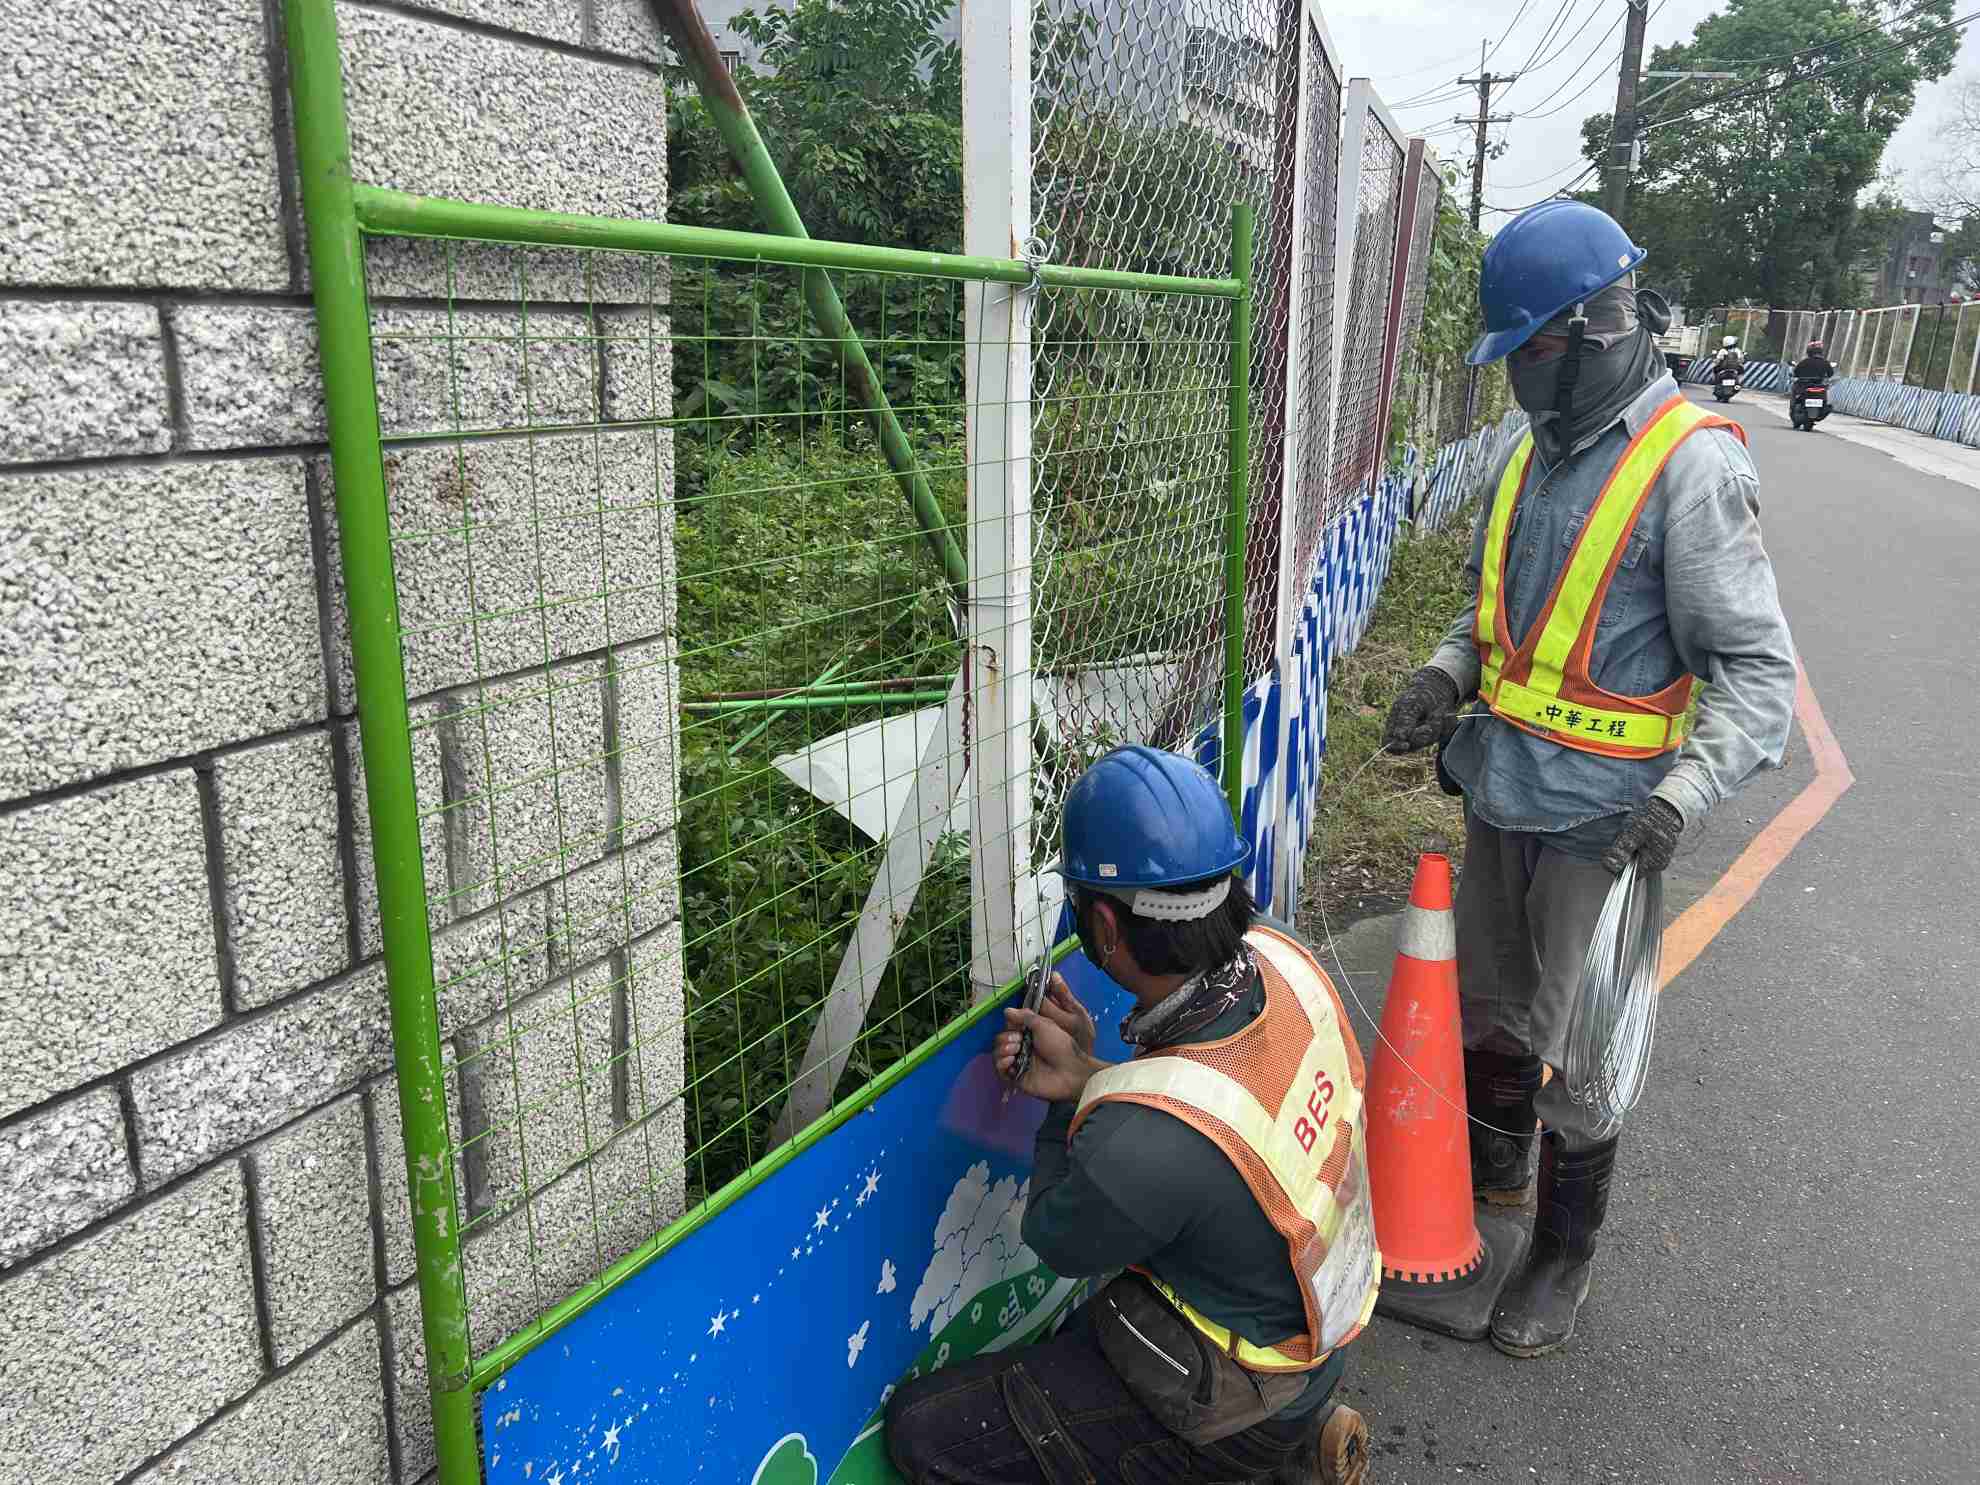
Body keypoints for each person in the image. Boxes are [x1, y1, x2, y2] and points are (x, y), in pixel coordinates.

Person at [1381, 201, 1797, 1359]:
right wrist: (1444, 674)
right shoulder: (1529, 454)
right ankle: (1490, 1185)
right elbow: (1492, 619)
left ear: (1585, 337)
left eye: (1525, 352)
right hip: (1501, 788)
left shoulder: (1691, 469)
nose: (1514, 375)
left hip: (1608, 821)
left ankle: (1561, 1255)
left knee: (1581, 1041)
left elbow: (1758, 673)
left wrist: (1681, 797)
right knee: (1492, 1009)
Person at [885, 746, 1377, 1485]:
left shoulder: (1143, 1146)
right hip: (1317, 1333)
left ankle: (1230, 1464)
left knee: (923, 1429)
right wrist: (1096, 1077)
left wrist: (1067, 1103)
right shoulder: (1284, 957)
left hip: (1237, 1404)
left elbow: (1059, 1238)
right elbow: (1220, 1119)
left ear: (1106, 927)